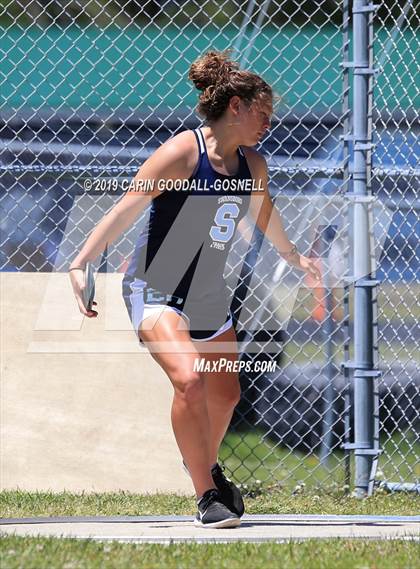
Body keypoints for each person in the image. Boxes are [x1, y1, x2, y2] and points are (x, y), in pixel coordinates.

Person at [69, 50, 321, 529]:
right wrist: (81, 263)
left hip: (207, 292)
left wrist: (294, 257)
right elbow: (125, 208)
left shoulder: (253, 164)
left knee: (225, 395)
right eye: (264, 113)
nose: (270, 122)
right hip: (156, 285)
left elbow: (264, 214)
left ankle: (201, 463)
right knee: (189, 379)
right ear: (236, 107)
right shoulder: (183, 153)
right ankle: (208, 496)